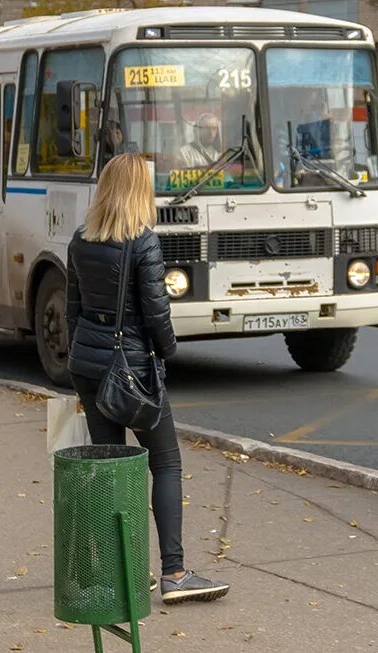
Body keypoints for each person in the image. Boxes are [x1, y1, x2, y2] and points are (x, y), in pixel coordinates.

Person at [65, 153, 230, 605]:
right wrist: (170, 351)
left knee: (111, 469)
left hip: (88, 366)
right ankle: (174, 573)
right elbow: (157, 315)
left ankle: (122, 572)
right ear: (139, 191)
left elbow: (71, 311)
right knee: (165, 462)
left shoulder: (80, 239)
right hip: (132, 370)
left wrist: (82, 359)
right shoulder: (143, 242)